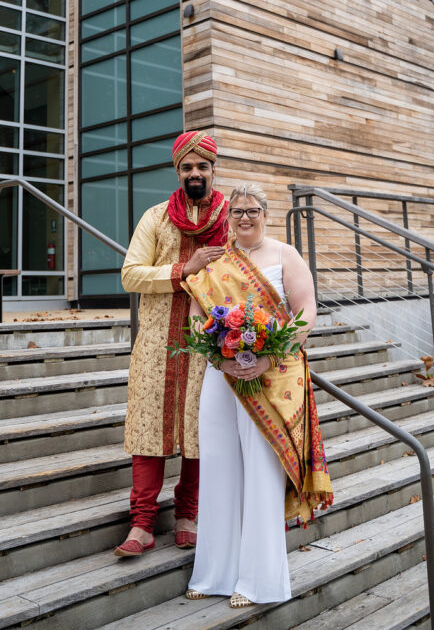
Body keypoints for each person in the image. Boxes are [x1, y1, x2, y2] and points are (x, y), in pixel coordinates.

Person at [184, 182, 333, 607]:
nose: (244, 218)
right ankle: (214, 573)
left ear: (265, 214)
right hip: (222, 375)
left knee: (261, 475)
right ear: (228, 217)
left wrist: (268, 358)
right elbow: (197, 315)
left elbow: (306, 312)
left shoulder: (286, 255)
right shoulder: (217, 262)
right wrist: (217, 355)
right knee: (217, 466)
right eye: (237, 212)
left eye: (252, 211)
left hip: (275, 378)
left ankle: (258, 581)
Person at [114, 131, 229, 557]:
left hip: (210, 345)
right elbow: (130, 275)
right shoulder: (156, 217)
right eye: (187, 167)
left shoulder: (231, 219)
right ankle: (142, 524)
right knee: (148, 429)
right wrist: (185, 268)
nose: (194, 173)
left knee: (199, 430)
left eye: (202, 166)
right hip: (157, 342)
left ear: (214, 170)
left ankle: (188, 515)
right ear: (177, 171)